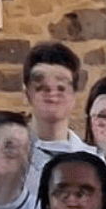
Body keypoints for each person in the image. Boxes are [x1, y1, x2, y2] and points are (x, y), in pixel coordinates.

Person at [21, 41, 93, 173]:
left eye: (61, 88)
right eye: (42, 88)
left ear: (74, 95)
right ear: (26, 94)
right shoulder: (7, 159)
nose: (52, 94)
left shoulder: (94, 162)